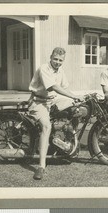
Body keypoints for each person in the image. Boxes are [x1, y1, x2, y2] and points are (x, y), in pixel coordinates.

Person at [28, 47, 82, 180]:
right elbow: (54, 87)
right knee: (46, 127)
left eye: (60, 60)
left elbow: (64, 87)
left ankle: (68, 142)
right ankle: (41, 166)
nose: (57, 62)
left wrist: (75, 99)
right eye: (55, 59)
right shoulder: (44, 68)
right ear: (50, 57)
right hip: (38, 101)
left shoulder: (60, 70)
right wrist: (74, 96)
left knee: (77, 108)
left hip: (52, 100)